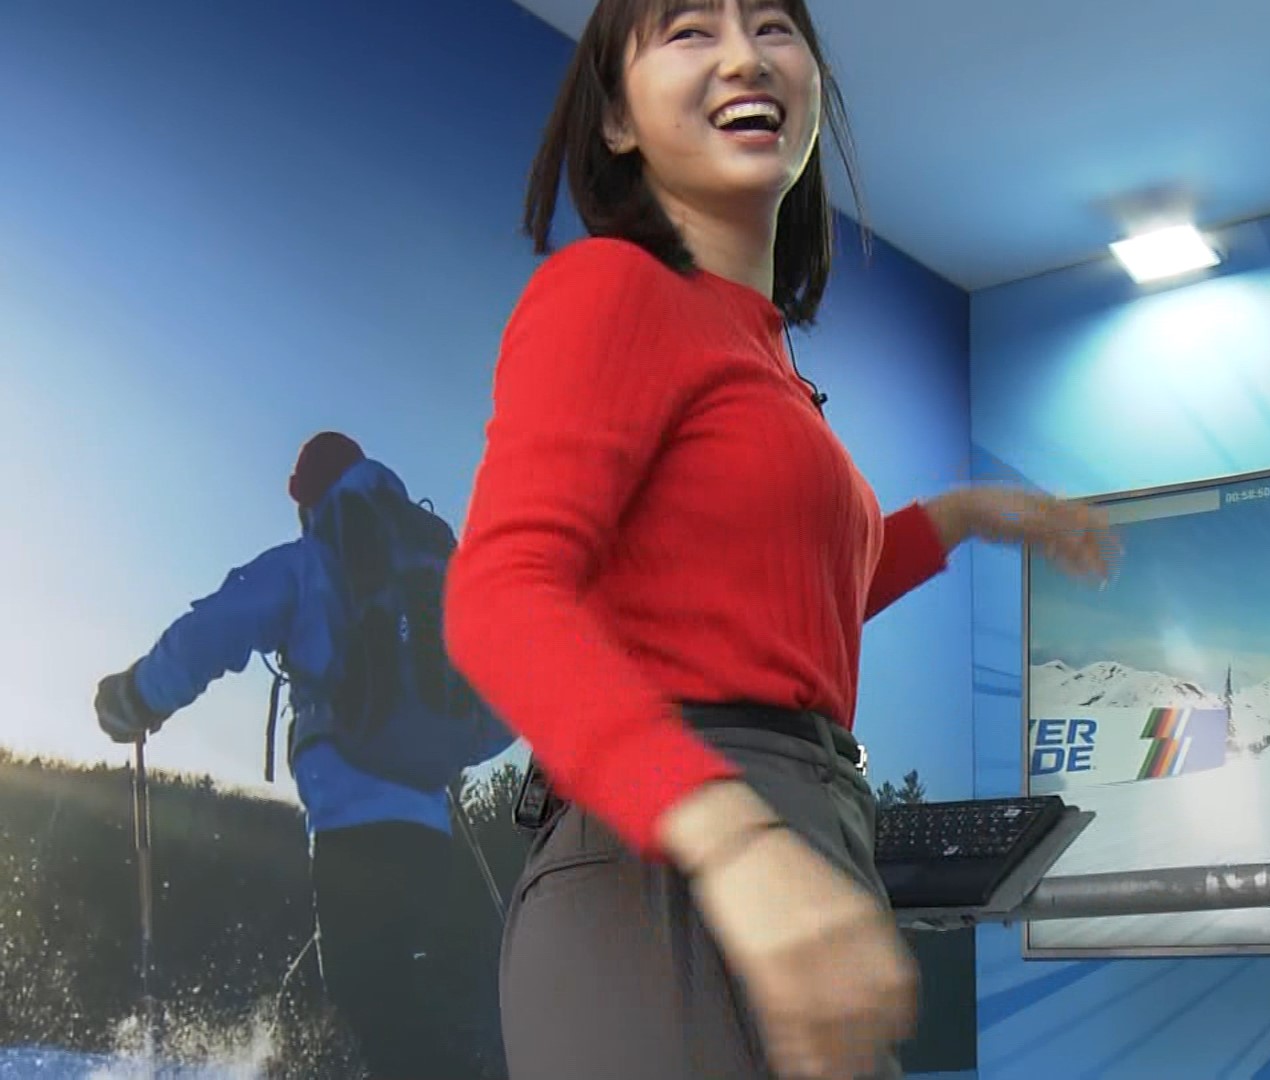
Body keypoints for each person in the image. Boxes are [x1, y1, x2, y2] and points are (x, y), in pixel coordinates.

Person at [439, 2, 1117, 1077]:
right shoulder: (613, 287)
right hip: (668, 856)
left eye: (770, 25)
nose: (744, 56)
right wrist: (732, 838)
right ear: (615, 118)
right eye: (688, 31)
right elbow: (500, 593)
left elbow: (799, 598)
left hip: (793, 828)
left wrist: (970, 515)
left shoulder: (763, 359)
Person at [92, 431, 516, 1079]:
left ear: (308, 500)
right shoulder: (430, 572)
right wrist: (440, 748)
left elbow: (218, 625)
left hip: (353, 826)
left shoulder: (313, 562)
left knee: (368, 996)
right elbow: (499, 698)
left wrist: (139, 696)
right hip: (430, 833)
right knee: (370, 989)